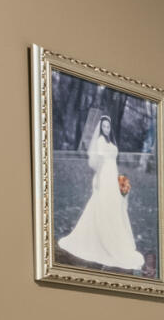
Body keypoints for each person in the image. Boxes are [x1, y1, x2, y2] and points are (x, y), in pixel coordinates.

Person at [57, 107, 149, 273]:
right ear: (101, 128)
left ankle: (115, 238)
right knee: (102, 205)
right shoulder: (100, 141)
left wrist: (119, 179)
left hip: (112, 175)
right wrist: (98, 180)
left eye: (108, 126)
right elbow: (99, 163)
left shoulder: (111, 142)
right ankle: (100, 237)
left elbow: (113, 161)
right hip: (104, 175)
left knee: (114, 207)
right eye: (104, 126)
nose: (106, 129)